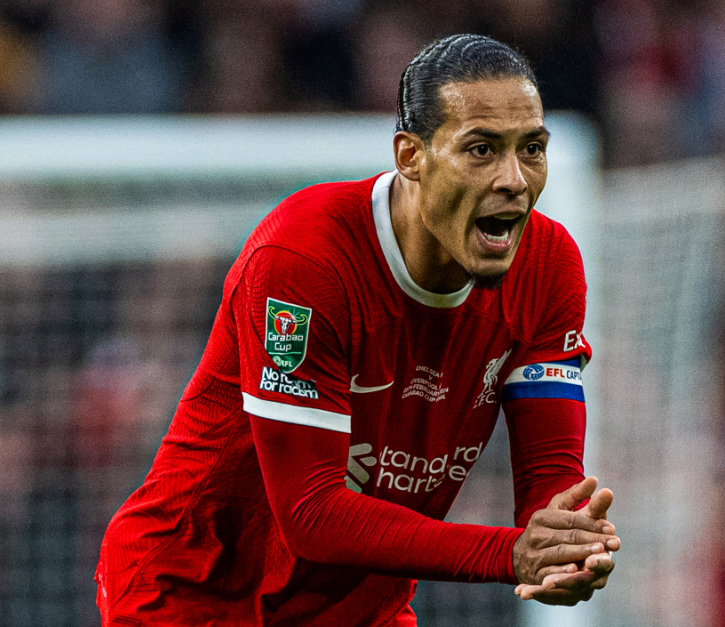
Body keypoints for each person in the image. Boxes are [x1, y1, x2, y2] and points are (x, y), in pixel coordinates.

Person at [95, 34, 619, 626]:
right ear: (410, 156)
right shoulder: (304, 260)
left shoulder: (549, 268)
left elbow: (550, 482)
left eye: (531, 149)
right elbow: (311, 512)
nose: (515, 180)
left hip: (358, 609)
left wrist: (564, 546)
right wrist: (511, 554)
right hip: (194, 595)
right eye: (480, 150)